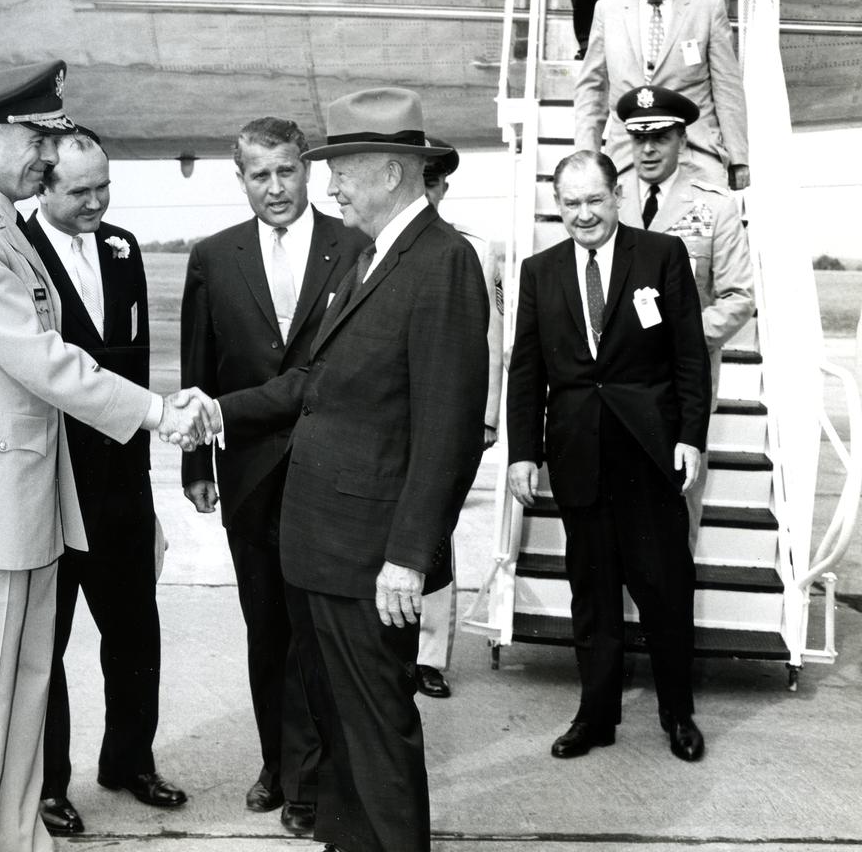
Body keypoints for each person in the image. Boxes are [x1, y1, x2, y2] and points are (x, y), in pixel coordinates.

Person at [0, 60, 209, 851]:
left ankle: (14, 839)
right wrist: (154, 413)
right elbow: (39, 357)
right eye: (42, 139)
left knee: (21, 698)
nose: (50, 156)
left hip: (32, 500)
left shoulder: (0, 224)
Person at [214, 88, 489, 852]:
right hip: (322, 547)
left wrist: (409, 556)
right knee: (337, 732)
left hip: (372, 556)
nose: (327, 185)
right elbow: (315, 381)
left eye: (341, 169)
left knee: (376, 735)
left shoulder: (443, 262)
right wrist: (215, 411)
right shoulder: (367, 255)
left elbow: (448, 430)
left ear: (395, 172)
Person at [180, 117, 368, 834]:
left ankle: (310, 777)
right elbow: (199, 367)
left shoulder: (351, 248)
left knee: (317, 631)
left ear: (308, 170)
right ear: (241, 179)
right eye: (260, 175)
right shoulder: (213, 257)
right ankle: (274, 762)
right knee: (267, 629)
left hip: (329, 471)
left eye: (287, 171)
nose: (276, 187)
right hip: (251, 470)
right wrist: (198, 461)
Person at [506, 150, 711, 763]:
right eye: (570, 203)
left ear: (616, 195)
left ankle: (678, 714)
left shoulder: (660, 256)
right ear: (557, 206)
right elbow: (526, 371)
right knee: (591, 595)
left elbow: (689, 359)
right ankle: (596, 716)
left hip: (649, 455)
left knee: (664, 591)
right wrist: (524, 453)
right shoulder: (539, 272)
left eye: (594, 200)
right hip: (578, 456)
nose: (583, 214)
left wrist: (690, 437)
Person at [22, 128, 186, 837]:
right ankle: (48, 784)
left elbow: (136, 369)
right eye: (79, 191)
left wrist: (146, 494)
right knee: (45, 646)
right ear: (41, 187)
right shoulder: (14, 252)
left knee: (134, 634)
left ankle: (128, 760)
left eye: (104, 187)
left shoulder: (122, 248)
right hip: (50, 485)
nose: (96, 203)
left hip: (120, 482)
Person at [615, 85, 754, 542]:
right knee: (615, 514)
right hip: (615, 380)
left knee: (675, 514)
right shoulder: (607, 201)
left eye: (661, 138)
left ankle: (669, 611)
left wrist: (680, 338)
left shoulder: (714, 207)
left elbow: (738, 297)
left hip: (681, 385)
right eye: (639, 139)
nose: (649, 149)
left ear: (681, 140)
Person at [413, 143, 505, 700]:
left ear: (443, 189)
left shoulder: (474, 249)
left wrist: (488, 417)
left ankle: (428, 656)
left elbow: (492, 338)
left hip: (447, 421)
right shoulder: (364, 245)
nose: (425, 195)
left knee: (435, 537)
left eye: (433, 185)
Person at [574, 0, 750, 191]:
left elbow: (727, 86)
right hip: (628, 154)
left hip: (695, 151)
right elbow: (591, 89)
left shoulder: (708, 7)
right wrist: (586, 155)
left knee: (707, 223)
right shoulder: (607, 11)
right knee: (621, 223)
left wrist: (739, 158)